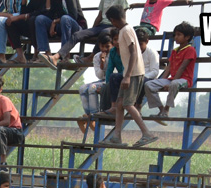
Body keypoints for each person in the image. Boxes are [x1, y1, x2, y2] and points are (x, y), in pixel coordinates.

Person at [99, 6, 157, 148]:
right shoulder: (125, 30)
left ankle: (147, 133)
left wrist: (128, 76)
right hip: (129, 73)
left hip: (134, 73)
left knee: (127, 104)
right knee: (120, 103)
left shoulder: (126, 31)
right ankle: (116, 137)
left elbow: (133, 53)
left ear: (113, 20)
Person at [145, 22, 196, 123]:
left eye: (179, 35)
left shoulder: (190, 50)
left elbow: (182, 67)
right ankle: (161, 109)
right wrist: (163, 81)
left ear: (187, 37)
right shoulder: (174, 51)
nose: (176, 37)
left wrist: (171, 82)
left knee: (174, 83)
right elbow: (169, 68)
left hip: (184, 80)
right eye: (175, 35)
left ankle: (167, 109)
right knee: (148, 84)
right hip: (172, 79)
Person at [50, 0, 126, 64]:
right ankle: (57, 56)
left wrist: (120, 30)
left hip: (113, 25)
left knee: (103, 33)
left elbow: (122, 17)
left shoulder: (122, 1)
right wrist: (91, 31)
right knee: (77, 34)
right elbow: (99, 17)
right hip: (101, 25)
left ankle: (90, 58)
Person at [77, 33, 113, 132]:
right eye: (102, 46)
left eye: (107, 46)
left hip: (112, 80)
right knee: (82, 88)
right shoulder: (97, 56)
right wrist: (102, 63)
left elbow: (114, 73)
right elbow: (99, 75)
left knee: (92, 87)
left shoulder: (115, 54)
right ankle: (88, 114)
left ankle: (94, 115)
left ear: (112, 45)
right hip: (103, 79)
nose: (104, 49)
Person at [34, 0, 84, 67]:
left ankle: (65, 56)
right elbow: (50, 15)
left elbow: (73, 15)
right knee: (40, 19)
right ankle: (47, 54)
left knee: (65, 18)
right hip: (61, 25)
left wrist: (54, 22)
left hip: (75, 26)